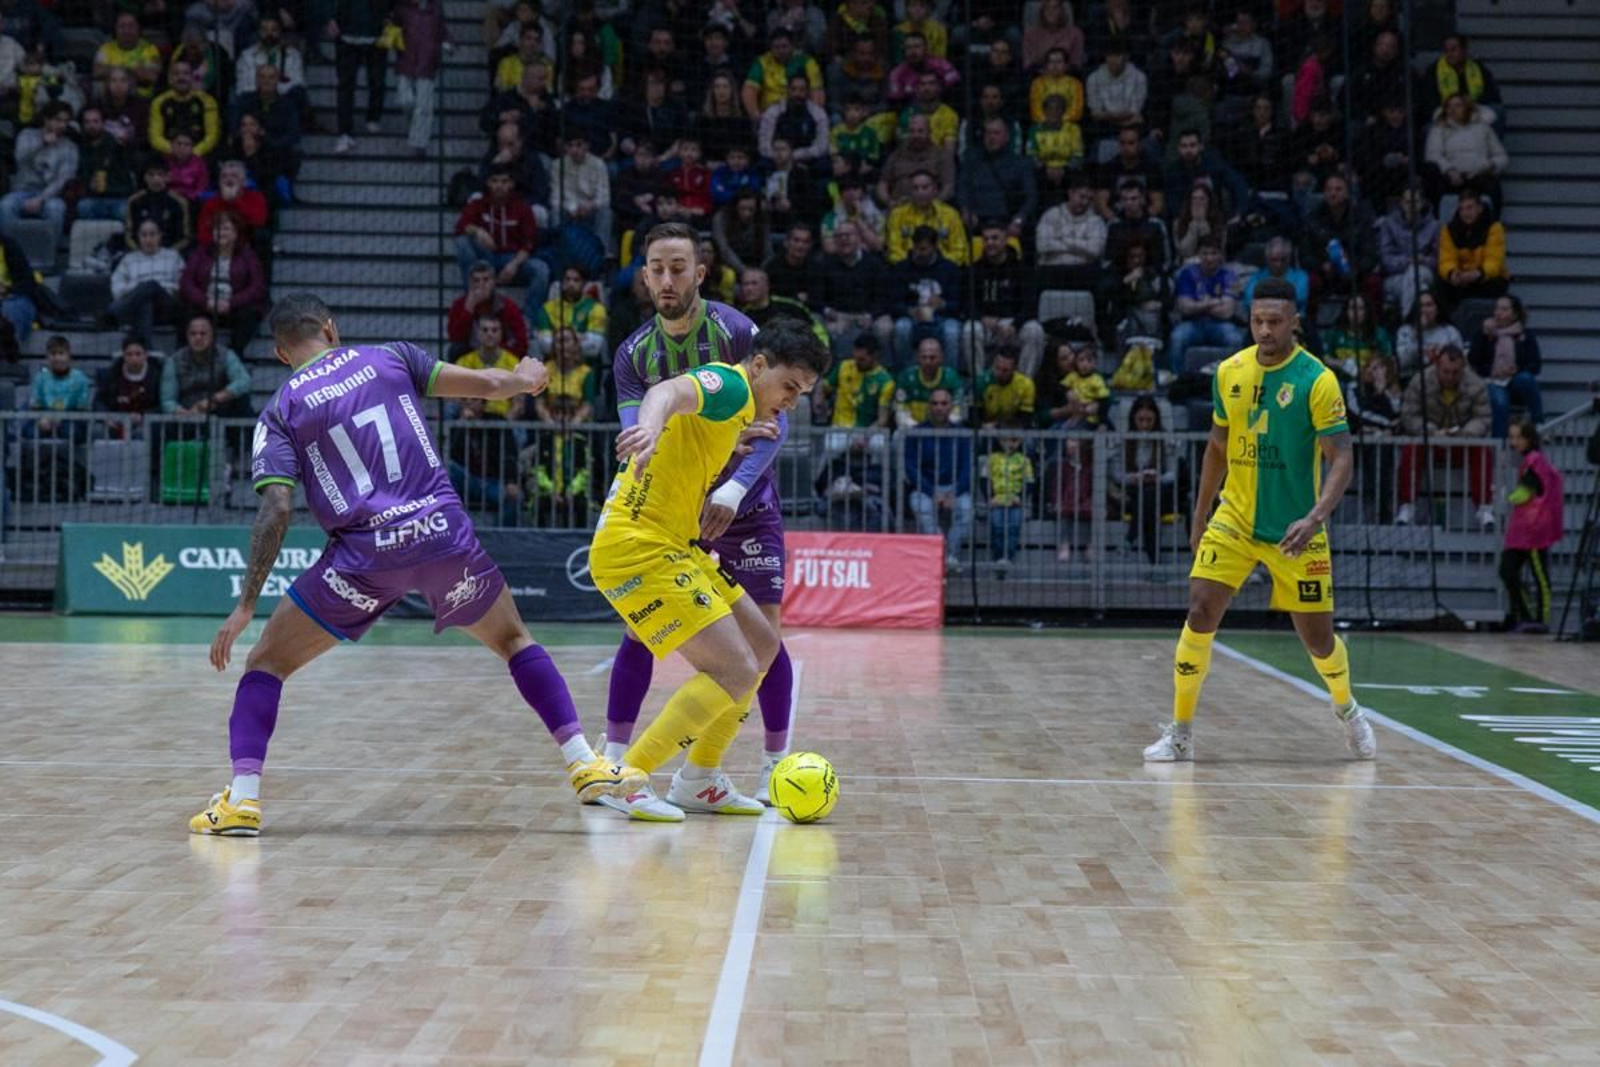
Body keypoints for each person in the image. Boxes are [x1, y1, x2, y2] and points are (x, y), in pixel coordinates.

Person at [188, 293, 642, 836]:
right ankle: (583, 762)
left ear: (280, 353)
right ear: (331, 329)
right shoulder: (391, 357)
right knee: (514, 641)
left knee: (265, 664)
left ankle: (242, 800)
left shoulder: (282, 408)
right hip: (441, 537)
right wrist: (525, 377)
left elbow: (277, 507)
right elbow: (493, 386)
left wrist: (245, 606)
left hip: (363, 560)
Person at [601, 224, 815, 814]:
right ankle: (621, 769)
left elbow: (705, 426)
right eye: (657, 269)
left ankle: (704, 777)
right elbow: (666, 398)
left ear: (701, 272)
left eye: (679, 268)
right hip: (651, 532)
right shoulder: (668, 361)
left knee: (762, 645)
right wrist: (647, 429)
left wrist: (735, 468)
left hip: (715, 517)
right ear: (644, 275)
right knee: (726, 662)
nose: (667, 279)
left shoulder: (734, 334)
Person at [1144, 277, 1374, 764]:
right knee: (1200, 609)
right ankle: (1181, 732)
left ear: (1295, 322)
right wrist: (1201, 513)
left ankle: (1348, 709)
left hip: (1295, 528)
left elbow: (1342, 457)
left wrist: (1315, 517)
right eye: (1256, 321)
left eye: (1274, 321)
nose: (1264, 330)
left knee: (1318, 640)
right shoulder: (1229, 371)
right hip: (1235, 520)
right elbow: (1217, 445)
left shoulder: (1317, 379)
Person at [1396, 344, 1494, 530]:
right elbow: (1409, 415)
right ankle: (1407, 506)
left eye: (1455, 372)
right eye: (1446, 371)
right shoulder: (1420, 381)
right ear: (1437, 366)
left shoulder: (1477, 384)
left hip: (1461, 440)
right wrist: (1431, 432)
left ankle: (1484, 508)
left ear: (1463, 368)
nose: (1450, 376)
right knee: (1411, 449)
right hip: (1430, 440)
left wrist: (1464, 434)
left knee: (1482, 451)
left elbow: (1483, 418)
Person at [1499, 420, 1563, 634]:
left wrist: (1505, 497)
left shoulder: (1536, 461)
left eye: (1518, 437)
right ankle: (1526, 615)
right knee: (1507, 571)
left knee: (1540, 575)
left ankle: (1541, 619)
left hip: (1535, 528)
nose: (1514, 442)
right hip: (1522, 528)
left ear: (1529, 438)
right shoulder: (1530, 460)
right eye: (1512, 437)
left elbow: (1527, 491)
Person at [452, 164, 549, 299]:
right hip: (486, 257)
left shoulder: (522, 207)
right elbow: (460, 227)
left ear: (511, 184)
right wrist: (478, 231)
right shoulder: (478, 204)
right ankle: (474, 297)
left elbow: (529, 243)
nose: (499, 186)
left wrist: (514, 265)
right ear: (488, 183)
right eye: (495, 181)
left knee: (541, 270)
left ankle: (529, 316)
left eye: (504, 181)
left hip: (512, 258)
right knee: (462, 242)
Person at [180, 212, 269, 354]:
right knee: (186, 312)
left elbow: (257, 287)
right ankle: (190, 355)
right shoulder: (201, 253)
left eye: (226, 229)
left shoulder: (247, 255)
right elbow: (187, 282)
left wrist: (231, 303)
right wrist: (206, 301)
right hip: (206, 305)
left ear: (235, 233)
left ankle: (233, 355)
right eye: (217, 229)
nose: (221, 233)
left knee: (249, 315)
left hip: (234, 308)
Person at [904, 387, 973, 570]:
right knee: (923, 508)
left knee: (966, 511)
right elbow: (911, 468)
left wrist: (954, 493)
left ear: (951, 407)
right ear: (928, 406)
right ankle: (940, 554)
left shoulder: (963, 433)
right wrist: (931, 491)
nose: (939, 407)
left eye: (944, 403)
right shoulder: (915, 433)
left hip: (954, 487)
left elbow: (967, 469)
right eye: (934, 403)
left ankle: (951, 556)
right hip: (925, 487)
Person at [0, 100, 75, 248]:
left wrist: (41, 199)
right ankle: (9, 253)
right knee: (5, 205)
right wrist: (42, 143)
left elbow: (63, 179)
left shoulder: (69, 146)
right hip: (21, 191)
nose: (62, 125)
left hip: (49, 194)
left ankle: (50, 255)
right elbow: (20, 159)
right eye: (58, 120)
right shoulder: (27, 135)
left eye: (66, 121)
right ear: (46, 119)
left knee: (56, 209)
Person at [1469, 294, 1543, 438]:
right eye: (1497, 309)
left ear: (1514, 314)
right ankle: (1499, 444)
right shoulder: (1485, 333)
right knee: (1500, 401)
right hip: (1491, 380)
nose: (1498, 313)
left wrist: (1517, 370)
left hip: (1514, 380)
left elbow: (1536, 365)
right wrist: (1483, 336)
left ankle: (1538, 423)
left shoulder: (1525, 335)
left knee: (1526, 378)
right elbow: (1474, 360)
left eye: (1504, 309)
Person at [1166, 236, 1243, 374]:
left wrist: (1198, 305)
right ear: (1198, 255)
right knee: (1177, 338)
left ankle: (1234, 381)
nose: (1209, 258)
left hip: (1220, 324)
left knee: (1236, 339)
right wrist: (1214, 302)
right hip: (1192, 324)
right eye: (1205, 253)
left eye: (1213, 253)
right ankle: (1177, 381)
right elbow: (1184, 308)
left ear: (1220, 255)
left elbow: (1227, 312)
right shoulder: (1187, 274)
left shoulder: (1229, 276)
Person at [324, 0, 389, 154]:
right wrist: (328, 17)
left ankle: (373, 116)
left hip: (376, 31)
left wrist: (391, 15)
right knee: (346, 85)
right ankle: (345, 132)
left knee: (377, 80)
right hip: (347, 32)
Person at [1119, 395, 1176, 565]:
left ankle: (1129, 538)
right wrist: (1134, 478)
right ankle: (1155, 564)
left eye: (1149, 420)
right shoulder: (1125, 440)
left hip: (1161, 492)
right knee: (1148, 504)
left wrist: (1158, 478)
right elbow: (1115, 473)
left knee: (1150, 495)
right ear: (1133, 418)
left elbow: (1173, 473)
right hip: (1132, 493)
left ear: (1156, 419)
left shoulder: (1164, 440)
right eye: (1140, 419)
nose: (1144, 424)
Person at [161, 313, 252, 417]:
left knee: (242, 401)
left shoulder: (226, 355)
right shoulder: (174, 361)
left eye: (203, 333)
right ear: (187, 336)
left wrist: (215, 398)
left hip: (218, 410)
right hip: (186, 414)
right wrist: (184, 414)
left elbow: (244, 381)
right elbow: (167, 400)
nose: (198, 337)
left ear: (212, 335)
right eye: (193, 334)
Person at [110, 218, 184, 340]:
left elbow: (181, 286)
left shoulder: (173, 256)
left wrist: (157, 288)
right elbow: (117, 289)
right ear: (138, 236)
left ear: (160, 236)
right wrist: (141, 290)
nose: (148, 239)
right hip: (138, 308)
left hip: (167, 306)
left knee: (151, 286)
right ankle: (146, 349)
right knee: (145, 301)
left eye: (152, 234)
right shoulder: (128, 259)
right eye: (144, 235)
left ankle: (113, 314)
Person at [1438, 189, 1508, 310]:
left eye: (1470, 207)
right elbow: (1446, 259)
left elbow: (1495, 261)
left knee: (1495, 282)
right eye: (1462, 209)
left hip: (1484, 278)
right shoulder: (1448, 230)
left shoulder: (1494, 228)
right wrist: (1452, 273)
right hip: (1461, 278)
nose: (1466, 213)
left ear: (1480, 208)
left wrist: (1478, 274)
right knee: (1441, 284)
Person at [986, 419, 1033, 573]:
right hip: (997, 500)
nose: (1010, 444)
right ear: (999, 440)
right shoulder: (992, 459)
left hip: (1015, 501)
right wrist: (991, 496)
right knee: (997, 527)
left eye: (1014, 440)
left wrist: (1020, 497)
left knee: (1013, 528)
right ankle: (998, 557)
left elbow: (1030, 482)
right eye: (1006, 439)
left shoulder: (1024, 460)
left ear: (1020, 441)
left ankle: (1008, 558)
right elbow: (984, 479)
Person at [533, 265, 607, 360]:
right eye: (567, 279)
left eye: (576, 280)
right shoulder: (547, 308)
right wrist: (579, 337)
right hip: (553, 366)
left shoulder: (596, 308)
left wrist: (557, 338)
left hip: (586, 368)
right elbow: (545, 345)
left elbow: (594, 347)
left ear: (584, 283)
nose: (571, 284)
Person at [97, 335, 163, 437]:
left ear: (146, 355)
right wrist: (106, 417)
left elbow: (163, 404)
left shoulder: (158, 376)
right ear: (123, 355)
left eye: (138, 354)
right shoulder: (111, 374)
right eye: (129, 354)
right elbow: (98, 401)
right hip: (115, 423)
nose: (134, 358)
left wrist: (143, 416)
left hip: (146, 424)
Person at [1394, 288, 1464, 378]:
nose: (1424, 310)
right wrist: (1417, 333)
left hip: (1445, 377)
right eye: (1420, 306)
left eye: (1429, 305)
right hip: (1413, 377)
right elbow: (1403, 363)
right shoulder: (1405, 331)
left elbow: (1460, 361)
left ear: (1437, 308)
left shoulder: (1450, 331)